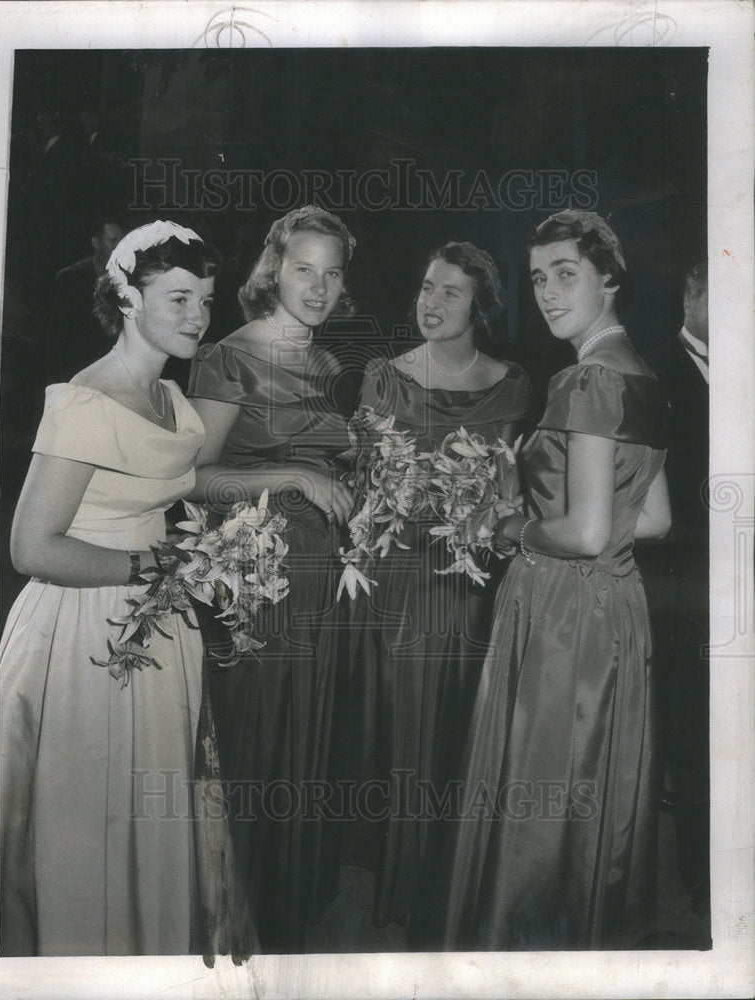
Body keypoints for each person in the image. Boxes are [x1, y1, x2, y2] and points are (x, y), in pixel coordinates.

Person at [0, 220, 256, 958]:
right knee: (90, 816)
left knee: (150, 802)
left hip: (158, 625)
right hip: (84, 630)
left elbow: (166, 493)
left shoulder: (171, 398)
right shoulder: (86, 400)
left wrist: (224, 549)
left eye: (205, 300)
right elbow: (31, 547)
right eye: (177, 298)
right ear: (125, 298)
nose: (197, 316)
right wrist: (158, 566)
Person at [435, 210, 671, 950]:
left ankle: (522, 954)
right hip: (617, 605)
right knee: (581, 791)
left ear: (609, 278)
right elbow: (653, 520)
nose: (547, 292)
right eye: (538, 278)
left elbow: (585, 532)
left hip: (563, 608)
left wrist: (509, 527)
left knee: (538, 798)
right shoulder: (642, 372)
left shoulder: (586, 378)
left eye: (566, 273)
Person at [335, 241, 532, 933]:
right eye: (427, 286)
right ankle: (386, 878)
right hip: (395, 575)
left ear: (481, 305)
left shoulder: (513, 384)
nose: (432, 302)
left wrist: (496, 511)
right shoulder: (383, 377)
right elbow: (363, 486)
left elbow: (511, 489)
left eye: (451, 291)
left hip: (468, 578)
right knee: (392, 721)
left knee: (458, 720)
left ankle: (441, 884)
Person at [187, 205, 356, 952]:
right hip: (254, 579)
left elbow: (338, 466)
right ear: (273, 271)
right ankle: (242, 912)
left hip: (322, 577)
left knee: (307, 730)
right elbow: (194, 478)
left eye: (332, 273)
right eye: (303, 270)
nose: (317, 288)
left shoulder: (332, 366)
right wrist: (294, 475)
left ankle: (290, 909)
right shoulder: (227, 357)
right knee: (257, 733)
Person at [665, 261, 710, 917]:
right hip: (686, 585)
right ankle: (702, 881)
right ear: (691, 296)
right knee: (696, 732)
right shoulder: (657, 373)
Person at [46, 217, 124, 383]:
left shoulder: (129, 277)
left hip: (117, 372)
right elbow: (58, 335)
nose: (119, 247)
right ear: (96, 242)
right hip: (78, 369)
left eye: (121, 240)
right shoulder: (69, 278)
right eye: (113, 241)